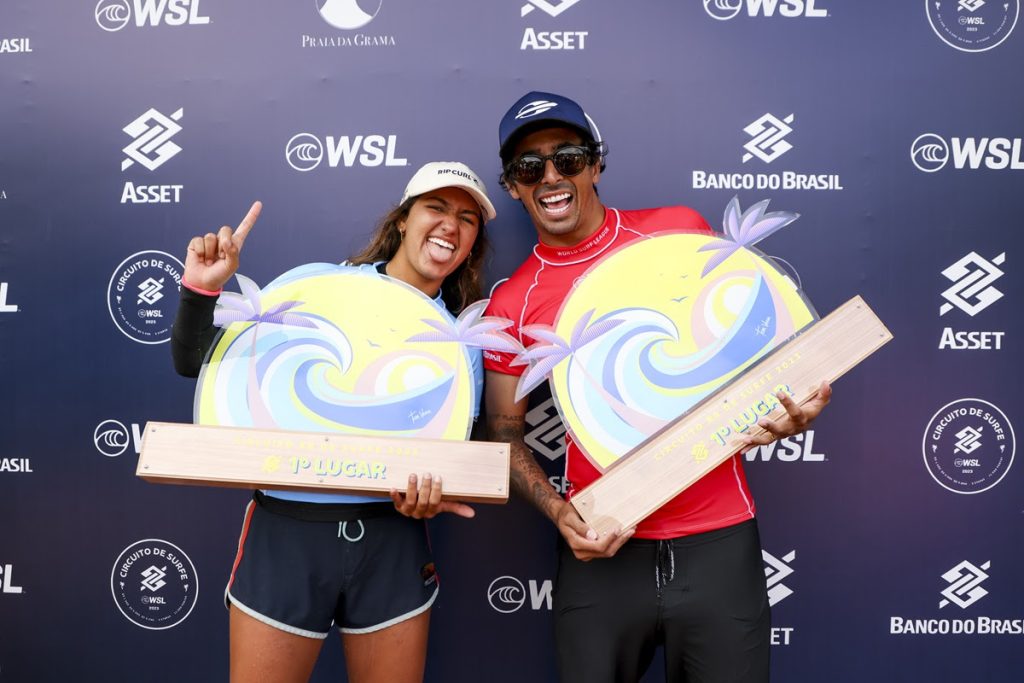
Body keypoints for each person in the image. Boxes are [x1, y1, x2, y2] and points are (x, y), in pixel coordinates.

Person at [483, 92, 832, 683]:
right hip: (602, 544)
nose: (550, 176)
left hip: (718, 535)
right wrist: (555, 510)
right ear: (513, 187)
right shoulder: (512, 300)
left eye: (567, 157)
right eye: (528, 167)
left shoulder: (678, 233)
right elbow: (505, 429)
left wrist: (797, 404)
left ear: (596, 164)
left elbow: (757, 350)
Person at [170, 161, 496, 683]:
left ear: (473, 242)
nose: (450, 226)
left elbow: (455, 458)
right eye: (436, 208)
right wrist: (201, 289)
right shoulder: (318, 289)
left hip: (393, 544)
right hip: (287, 535)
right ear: (402, 221)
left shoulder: (463, 345)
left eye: (467, 218)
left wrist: (436, 492)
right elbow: (194, 365)